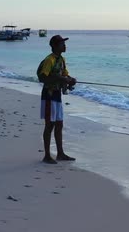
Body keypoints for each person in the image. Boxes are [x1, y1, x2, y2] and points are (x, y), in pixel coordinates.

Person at [38, 35, 77, 164]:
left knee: (59, 124)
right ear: (55, 46)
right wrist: (61, 79)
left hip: (57, 95)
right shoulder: (49, 60)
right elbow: (43, 77)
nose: (64, 46)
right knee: (50, 125)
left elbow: (65, 74)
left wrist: (70, 80)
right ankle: (47, 156)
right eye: (62, 44)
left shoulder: (62, 59)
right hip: (48, 95)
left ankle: (60, 154)